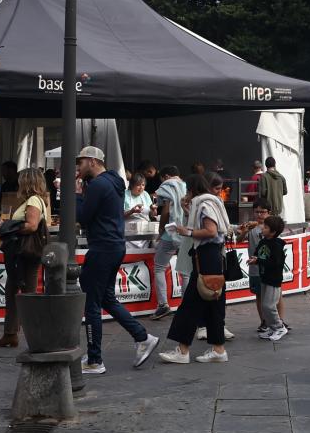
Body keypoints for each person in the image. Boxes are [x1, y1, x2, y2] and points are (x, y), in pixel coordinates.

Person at [75, 147, 159, 374]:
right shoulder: (115, 182)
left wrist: (75, 193)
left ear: (92, 161)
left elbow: (82, 217)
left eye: (81, 162)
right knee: (106, 299)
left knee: (92, 302)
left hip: (101, 248)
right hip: (114, 246)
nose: (78, 167)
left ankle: (95, 360)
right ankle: (142, 337)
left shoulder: (99, 185)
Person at [160, 175, 230, 364]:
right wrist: (186, 209)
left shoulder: (204, 204)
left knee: (191, 304)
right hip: (213, 257)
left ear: (192, 190)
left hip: (207, 257)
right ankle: (218, 348)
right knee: (212, 303)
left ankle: (183, 350)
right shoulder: (209, 202)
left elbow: (211, 230)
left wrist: (187, 231)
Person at [0, 166, 51, 348]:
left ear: (27, 182)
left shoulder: (34, 201)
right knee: (13, 291)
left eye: (22, 179)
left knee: (27, 294)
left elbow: (31, 225)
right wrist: (4, 224)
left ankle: (35, 335)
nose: (19, 182)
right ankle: (11, 333)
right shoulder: (32, 200)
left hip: (26, 253)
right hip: (23, 253)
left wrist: (8, 227)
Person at [149, 165, 186, 319]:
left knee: (159, 267)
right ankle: (186, 306)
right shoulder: (186, 185)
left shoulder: (167, 185)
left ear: (165, 176)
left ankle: (163, 305)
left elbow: (166, 211)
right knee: (185, 271)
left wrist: (161, 230)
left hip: (171, 233)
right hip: (186, 232)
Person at [252, 214, 289, 341]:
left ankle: (279, 327)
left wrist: (259, 261)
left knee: (269, 306)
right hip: (264, 278)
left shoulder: (277, 246)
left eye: (266, 227)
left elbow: (275, 263)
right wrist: (255, 259)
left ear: (273, 232)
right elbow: (258, 254)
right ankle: (272, 328)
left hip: (273, 280)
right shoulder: (263, 241)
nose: (262, 228)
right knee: (264, 306)